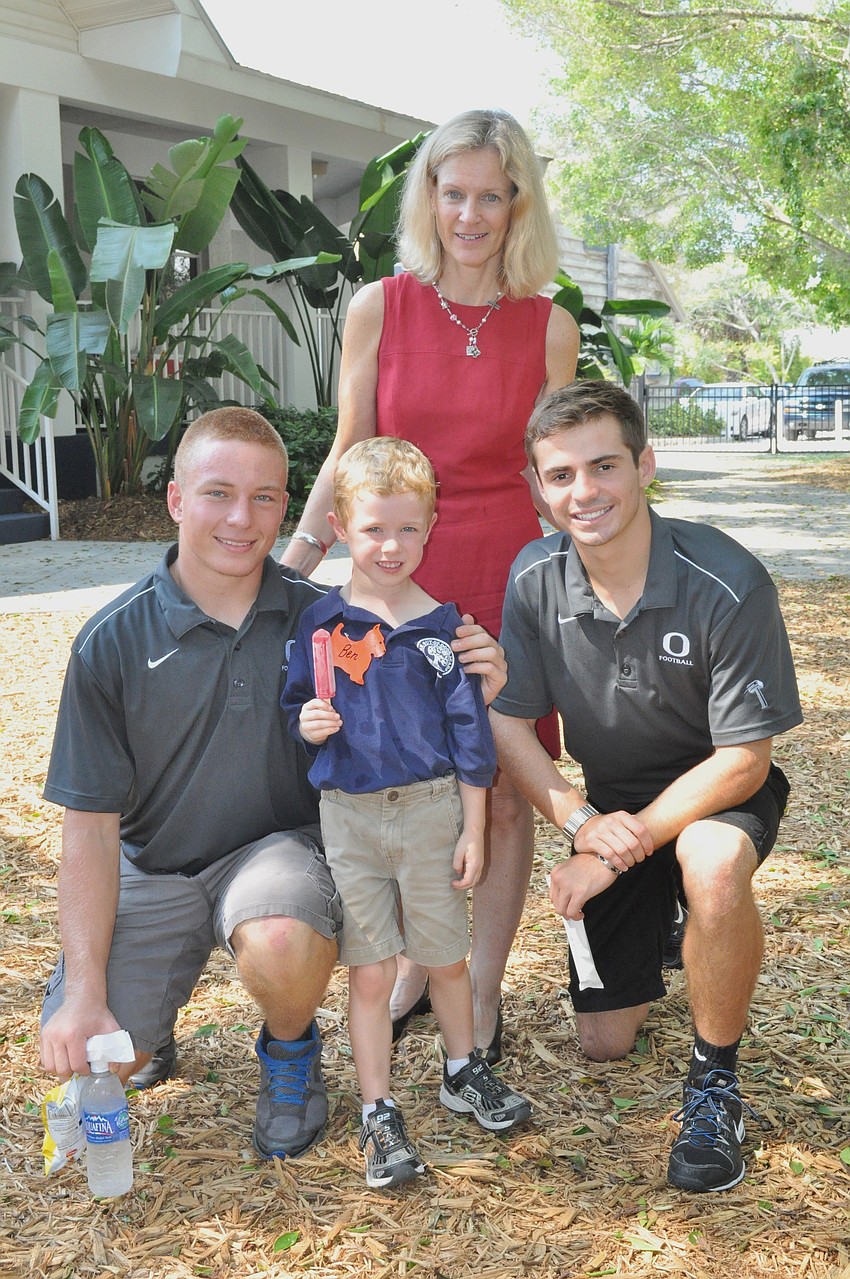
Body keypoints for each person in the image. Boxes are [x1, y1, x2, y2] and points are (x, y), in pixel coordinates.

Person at [38, 407, 507, 1164]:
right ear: (176, 499)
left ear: (287, 508)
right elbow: (87, 828)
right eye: (218, 493)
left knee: (283, 940)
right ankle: (147, 1023)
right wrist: (87, 992)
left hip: (274, 857)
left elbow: (424, 697)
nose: (241, 518)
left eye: (263, 498)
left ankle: (290, 1054)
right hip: (154, 865)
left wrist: (485, 676)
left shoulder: (321, 616)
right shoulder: (113, 639)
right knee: (95, 1061)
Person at [282, 108, 580, 1059]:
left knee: (498, 786)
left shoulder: (551, 326)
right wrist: (291, 568)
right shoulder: (380, 307)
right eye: (454, 193)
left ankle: (480, 988)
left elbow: (553, 476)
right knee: (407, 778)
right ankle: (419, 965)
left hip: (507, 575)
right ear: (429, 199)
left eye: (492, 196)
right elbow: (350, 450)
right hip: (397, 574)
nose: (470, 215)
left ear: (518, 204)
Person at [490, 382, 802, 1194]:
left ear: (645, 465)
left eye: (604, 466)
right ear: (537, 487)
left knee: (711, 864)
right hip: (614, 806)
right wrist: (579, 821)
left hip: (717, 793)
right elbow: (508, 723)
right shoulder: (534, 576)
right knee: (604, 1040)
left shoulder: (728, 579)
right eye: (561, 475)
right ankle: (668, 918)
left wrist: (612, 853)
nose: (583, 491)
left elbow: (746, 759)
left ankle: (715, 1083)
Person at [282, 438, 531, 1189]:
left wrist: (474, 826)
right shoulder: (320, 625)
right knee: (371, 969)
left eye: (407, 529)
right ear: (339, 527)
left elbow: (470, 737)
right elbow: (294, 703)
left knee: (445, 956)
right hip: (350, 815)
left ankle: (462, 1068)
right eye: (373, 529)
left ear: (430, 527)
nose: (391, 546)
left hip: (430, 811)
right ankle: (378, 1108)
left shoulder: (443, 632)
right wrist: (307, 723)